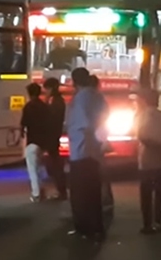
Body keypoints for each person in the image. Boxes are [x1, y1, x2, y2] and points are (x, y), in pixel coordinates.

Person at [65, 67, 106, 242]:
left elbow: (81, 123)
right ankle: (97, 227)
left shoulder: (80, 99)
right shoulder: (98, 96)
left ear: (74, 81)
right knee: (94, 192)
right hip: (94, 151)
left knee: (79, 194)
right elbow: (103, 119)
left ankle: (83, 228)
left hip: (80, 150)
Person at [135, 89, 161, 233]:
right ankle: (158, 222)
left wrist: (153, 147)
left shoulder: (140, 116)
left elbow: (141, 136)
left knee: (146, 193)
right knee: (159, 194)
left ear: (145, 100)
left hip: (146, 159)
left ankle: (147, 224)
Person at [19, 82, 55, 201]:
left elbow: (23, 124)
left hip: (32, 141)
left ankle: (36, 193)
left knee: (32, 169)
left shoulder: (28, 107)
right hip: (43, 142)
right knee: (39, 168)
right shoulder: (45, 106)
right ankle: (41, 191)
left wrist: (20, 136)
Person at [42, 78, 68, 200]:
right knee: (53, 165)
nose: (45, 92)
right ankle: (61, 191)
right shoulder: (57, 101)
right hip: (53, 136)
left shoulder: (56, 102)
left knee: (55, 166)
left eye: (46, 89)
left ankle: (62, 191)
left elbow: (51, 119)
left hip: (53, 136)